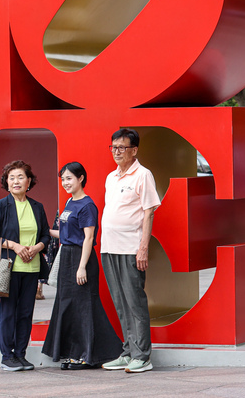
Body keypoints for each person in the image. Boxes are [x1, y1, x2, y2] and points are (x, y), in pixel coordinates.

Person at [41, 162, 122, 369]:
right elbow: (66, 235)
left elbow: (88, 238)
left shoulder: (87, 205)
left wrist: (82, 266)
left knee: (84, 308)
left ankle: (87, 356)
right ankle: (72, 352)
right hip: (67, 256)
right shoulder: (69, 203)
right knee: (67, 306)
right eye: (63, 179)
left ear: (81, 178)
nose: (65, 183)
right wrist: (43, 230)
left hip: (80, 259)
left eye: (69, 178)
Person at [100, 128, 161, 374]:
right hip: (109, 248)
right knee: (120, 302)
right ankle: (128, 352)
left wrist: (143, 248)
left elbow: (149, 212)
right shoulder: (111, 177)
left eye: (122, 148)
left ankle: (142, 356)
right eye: (113, 147)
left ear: (134, 150)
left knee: (134, 302)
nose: (116, 152)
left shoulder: (143, 175)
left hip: (130, 249)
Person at [0, 160, 50, 371]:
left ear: (29, 181)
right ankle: (6, 356)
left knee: (25, 313)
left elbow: (46, 235)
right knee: (9, 313)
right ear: (7, 182)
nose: (16, 181)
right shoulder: (1, 206)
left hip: (31, 268)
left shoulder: (37, 207)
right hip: (8, 268)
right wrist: (14, 246)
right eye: (11, 178)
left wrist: (38, 247)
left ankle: (20, 354)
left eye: (20, 177)